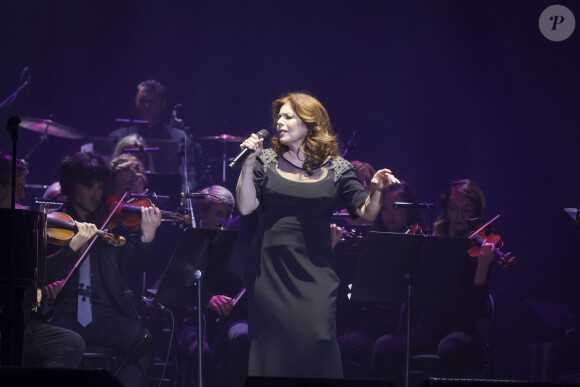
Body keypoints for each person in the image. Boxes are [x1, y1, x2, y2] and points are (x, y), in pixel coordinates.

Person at [236, 92, 399, 378]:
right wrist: (248, 163)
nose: (280, 123)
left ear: (310, 123)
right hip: (269, 271)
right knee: (271, 351)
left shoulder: (337, 168)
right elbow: (247, 206)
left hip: (315, 269)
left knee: (319, 341)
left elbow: (367, 212)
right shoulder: (266, 161)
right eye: (279, 117)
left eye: (288, 117)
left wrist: (376, 189)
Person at [45, 152, 161, 387]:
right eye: (89, 186)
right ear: (70, 186)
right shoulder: (54, 223)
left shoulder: (112, 223)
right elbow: (45, 272)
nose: (96, 194)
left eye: (100, 187)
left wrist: (146, 240)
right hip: (63, 315)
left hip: (106, 315)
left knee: (145, 340)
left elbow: (131, 270)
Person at [371, 179, 495, 385]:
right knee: (383, 346)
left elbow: (477, 308)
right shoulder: (433, 241)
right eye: (454, 209)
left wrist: (482, 266)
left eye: (466, 209)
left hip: (462, 331)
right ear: (446, 209)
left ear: (476, 210)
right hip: (427, 330)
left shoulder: (481, 248)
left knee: (450, 348)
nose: (460, 216)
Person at [0, 150, 86, 368]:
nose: (21, 196)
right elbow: (34, 275)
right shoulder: (12, 226)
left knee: (71, 342)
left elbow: (33, 280)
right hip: (7, 323)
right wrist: (72, 248)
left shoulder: (20, 221)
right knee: (70, 344)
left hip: (17, 320)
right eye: (17, 187)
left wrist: (40, 293)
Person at [338, 182, 423, 378]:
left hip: (408, 326)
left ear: (410, 209)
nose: (389, 214)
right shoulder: (374, 241)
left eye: (396, 207)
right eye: (384, 208)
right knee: (342, 345)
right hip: (376, 325)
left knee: (384, 348)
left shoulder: (420, 241)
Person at [108, 79, 201, 192]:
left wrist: (182, 199)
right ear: (136, 102)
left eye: (152, 102)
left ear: (163, 104)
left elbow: (188, 177)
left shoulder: (180, 138)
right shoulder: (118, 137)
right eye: (142, 101)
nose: (146, 106)